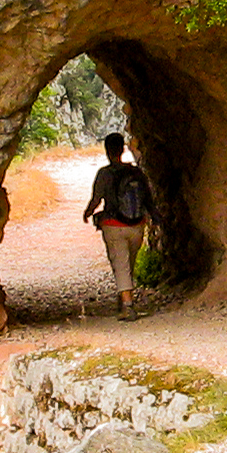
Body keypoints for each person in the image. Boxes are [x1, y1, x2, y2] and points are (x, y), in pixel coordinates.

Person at [81, 133, 152, 320]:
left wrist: (88, 212)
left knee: (120, 262)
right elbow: (148, 198)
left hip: (113, 225)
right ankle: (124, 296)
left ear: (107, 150)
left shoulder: (104, 174)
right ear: (123, 148)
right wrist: (156, 218)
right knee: (128, 262)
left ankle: (128, 305)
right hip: (137, 224)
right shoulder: (136, 172)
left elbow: (96, 199)